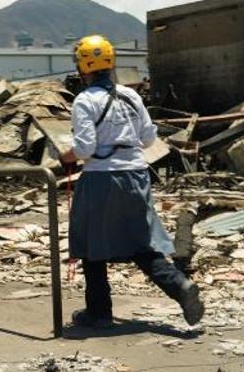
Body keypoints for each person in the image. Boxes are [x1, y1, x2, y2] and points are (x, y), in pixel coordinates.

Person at [60, 35, 204, 328]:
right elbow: (149, 138)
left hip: (101, 179)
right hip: (137, 175)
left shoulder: (84, 100)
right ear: (110, 63)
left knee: (92, 245)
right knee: (141, 244)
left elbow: (85, 149)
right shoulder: (131, 95)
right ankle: (180, 286)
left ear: (83, 67)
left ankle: (99, 313)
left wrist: (67, 155)